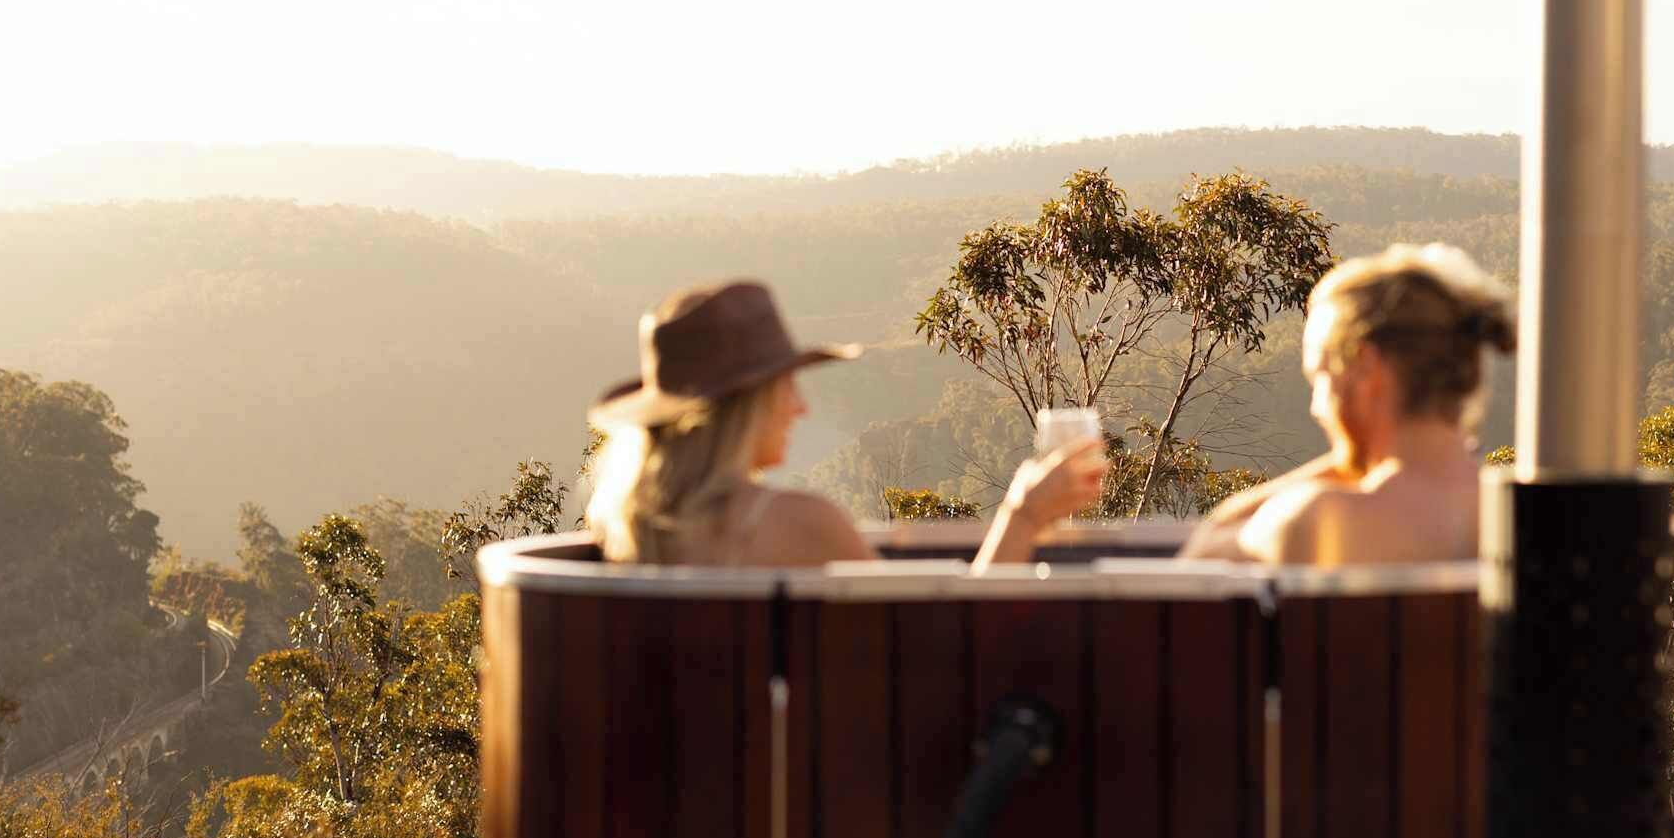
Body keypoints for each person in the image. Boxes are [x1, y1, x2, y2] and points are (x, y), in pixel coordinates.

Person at [584, 280, 1103, 569]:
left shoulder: (624, 534)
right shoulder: (796, 524)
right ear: (744, 409)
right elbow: (944, 651)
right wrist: (1022, 514)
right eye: (787, 389)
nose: (801, 409)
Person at [1181, 245, 1515, 566]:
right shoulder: (1521, 514)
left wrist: (1344, 460)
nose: (1316, 407)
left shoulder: (1321, 518)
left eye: (1320, 377)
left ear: (1367, 368)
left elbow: (1201, 553)